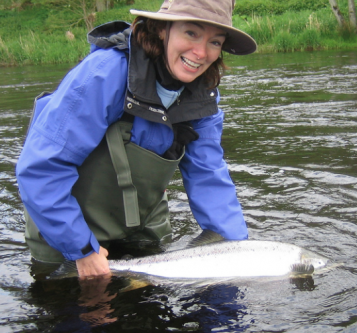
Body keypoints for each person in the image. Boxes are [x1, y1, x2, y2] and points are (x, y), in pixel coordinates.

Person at [16, 0, 257, 279]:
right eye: (191, 33)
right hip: (62, 226)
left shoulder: (204, 93)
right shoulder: (104, 73)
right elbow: (41, 170)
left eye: (215, 42)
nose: (201, 52)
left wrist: (238, 250)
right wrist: (81, 249)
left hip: (141, 225)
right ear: (163, 30)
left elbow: (209, 177)